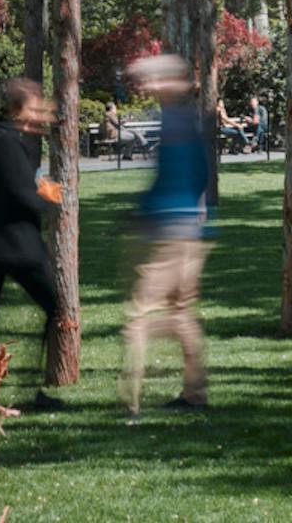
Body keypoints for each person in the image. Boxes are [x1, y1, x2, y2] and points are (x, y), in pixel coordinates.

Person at [119, 54, 212, 416]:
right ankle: (195, 392)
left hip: (170, 231)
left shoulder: (175, 120)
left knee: (139, 314)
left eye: (149, 80)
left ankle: (130, 398)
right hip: (192, 230)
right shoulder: (189, 120)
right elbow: (200, 177)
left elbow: (169, 180)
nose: (144, 86)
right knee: (182, 313)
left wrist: (140, 211)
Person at [0, 78, 65, 415]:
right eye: (34, 106)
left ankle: (2, 389)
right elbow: (20, 193)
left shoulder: (7, 138)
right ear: (18, 109)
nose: (40, 111)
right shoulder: (6, 140)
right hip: (13, 246)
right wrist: (47, 196)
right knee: (50, 306)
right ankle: (24, 391)